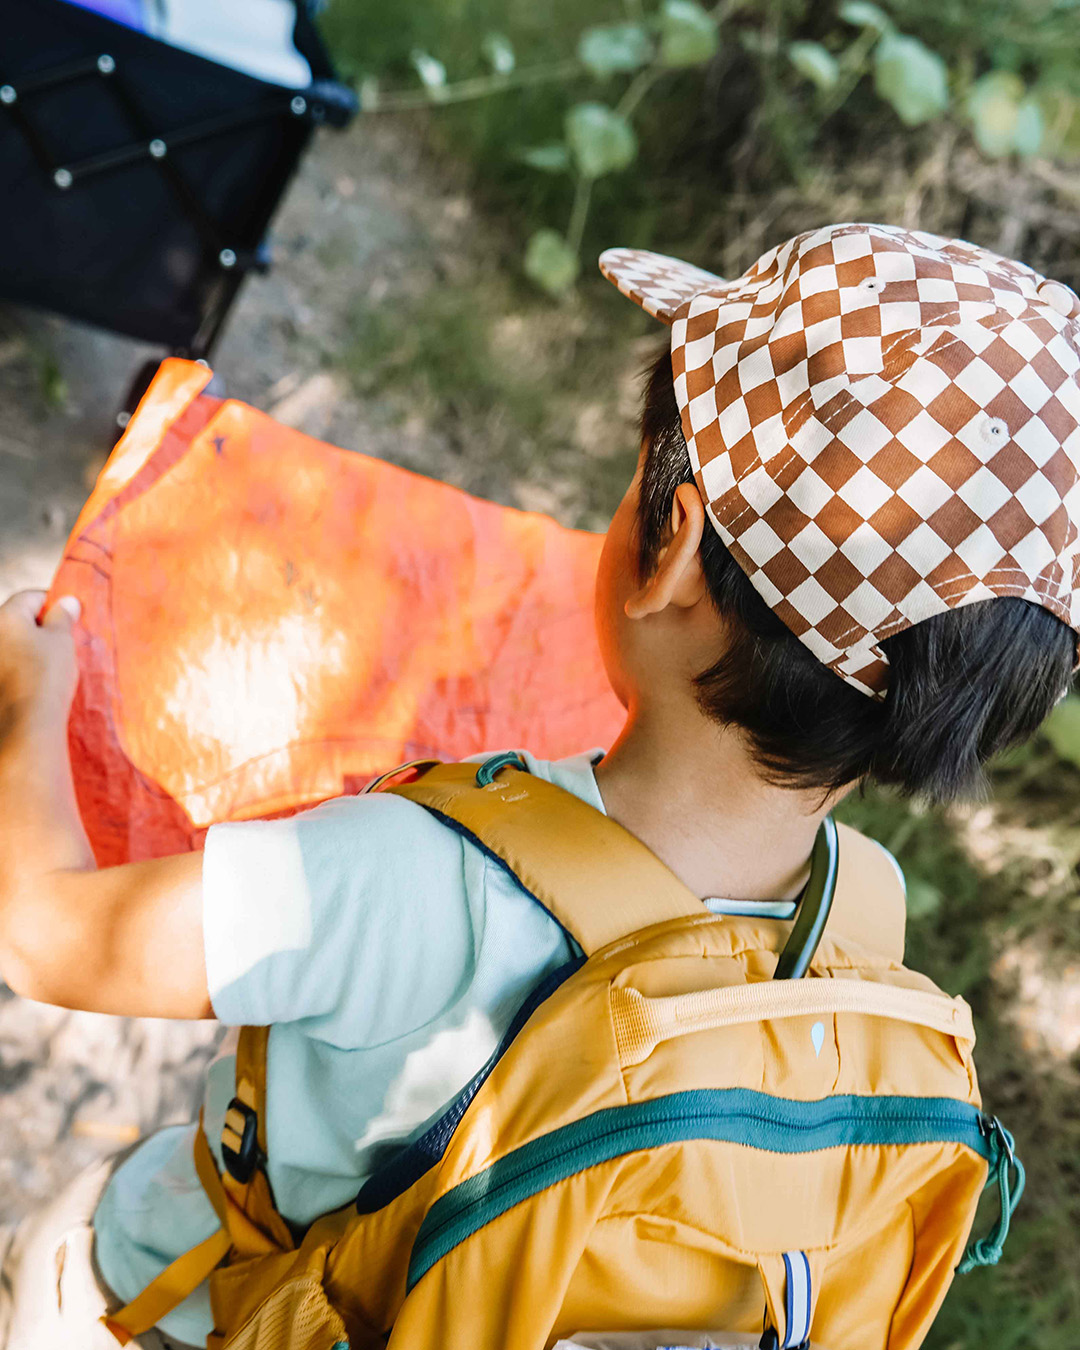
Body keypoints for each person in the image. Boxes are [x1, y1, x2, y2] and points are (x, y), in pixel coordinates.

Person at [1, 222, 1078, 1350]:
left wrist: (32, 696)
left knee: (64, 1251)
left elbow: (43, 934)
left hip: (171, 1309)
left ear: (671, 549)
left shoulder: (409, 875)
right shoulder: (863, 927)